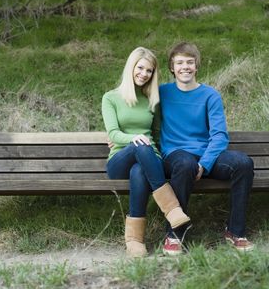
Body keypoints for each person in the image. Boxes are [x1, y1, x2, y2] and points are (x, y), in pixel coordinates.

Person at [158, 41, 255, 255]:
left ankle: (235, 231)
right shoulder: (161, 93)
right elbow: (134, 108)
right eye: (180, 62)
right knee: (185, 163)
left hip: (204, 157)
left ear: (197, 66)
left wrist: (204, 163)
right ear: (172, 67)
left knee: (243, 163)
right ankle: (174, 233)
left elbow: (219, 135)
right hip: (175, 156)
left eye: (190, 62)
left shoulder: (210, 95)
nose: (185, 67)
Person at [102, 46, 191, 257]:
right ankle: (172, 210)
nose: (144, 74)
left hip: (148, 158)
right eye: (140, 68)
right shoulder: (111, 98)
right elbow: (113, 133)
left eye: (149, 71)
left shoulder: (152, 100)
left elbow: (157, 133)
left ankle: (135, 240)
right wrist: (131, 139)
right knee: (141, 147)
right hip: (119, 160)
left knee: (140, 171)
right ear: (131, 67)